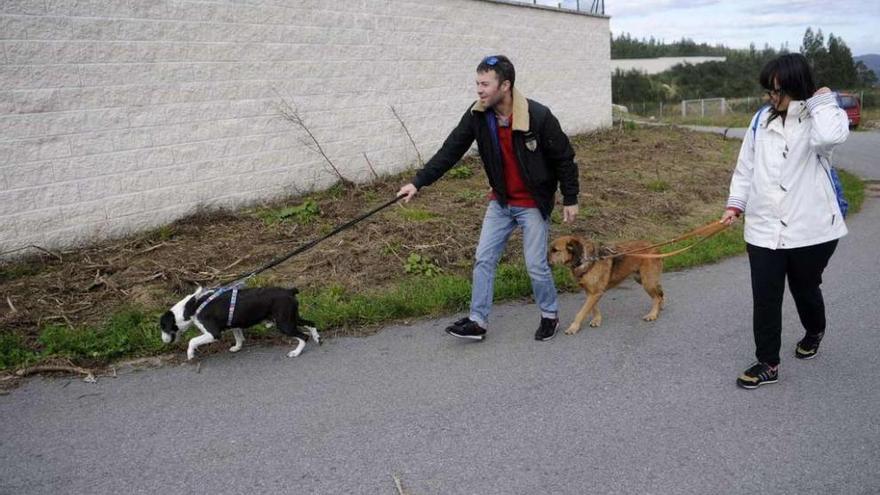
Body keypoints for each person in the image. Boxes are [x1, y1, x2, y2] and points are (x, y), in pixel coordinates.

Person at [397, 55, 579, 342]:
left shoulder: (538, 116)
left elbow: (564, 158)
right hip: (502, 201)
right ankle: (477, 321)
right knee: (484, 259)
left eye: (485, 84)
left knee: (535, 264)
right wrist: (418, 183)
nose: (479, 90)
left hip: (532, 202)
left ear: (505, 85)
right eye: (477, 83)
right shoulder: (478, 115)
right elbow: (450, 150)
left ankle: (549, 316)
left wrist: (570, 197)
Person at [721, 53, 849, 389]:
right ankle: (768, 363)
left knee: (804, 287)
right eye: (768, 91)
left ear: (796, 86)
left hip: (812, 229)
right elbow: (745, 167)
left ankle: (814, 329)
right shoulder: (760, 120)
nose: (770, 98)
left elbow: (829, 139)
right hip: (764, 227)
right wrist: (735, 205)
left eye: (776, 91)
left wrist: (821, 97)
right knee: (765, 295)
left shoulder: (819, 117)